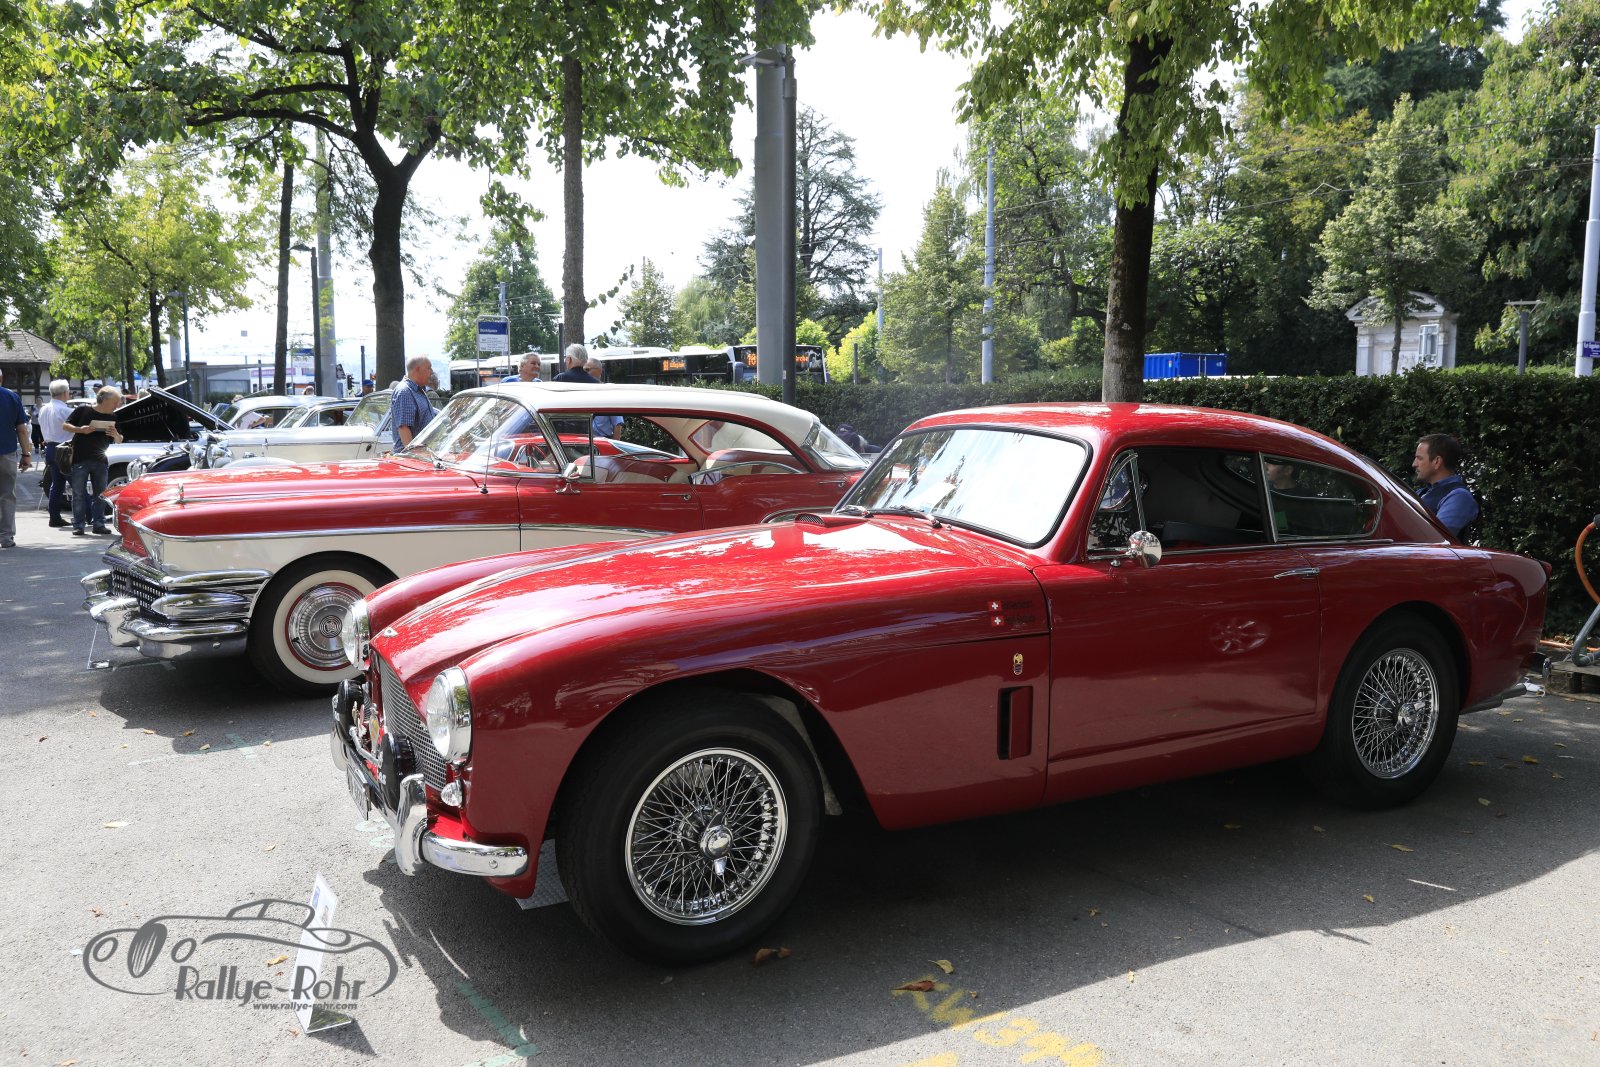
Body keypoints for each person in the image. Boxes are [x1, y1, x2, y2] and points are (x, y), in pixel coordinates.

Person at [65, 384, 123, 536]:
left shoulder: (113, 417)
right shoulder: (83, 411)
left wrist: (115, 434)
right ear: (105, 400)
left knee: (101, 494)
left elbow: (119, 440)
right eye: (115, 402)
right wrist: (81, 430)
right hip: (80, 458)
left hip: (101, 460)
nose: (117, 405)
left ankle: (99, 524)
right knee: (78, 494)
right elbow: (65, 425)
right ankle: (79, 525)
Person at [1412, 433, 1479, 538]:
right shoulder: (1421, 493)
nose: (1414, 464)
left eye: (1419, 458)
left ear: (1437, 461)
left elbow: (1435, 537)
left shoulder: (1459, 496)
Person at [0, 367, 31, 548]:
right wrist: (26, 454)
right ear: (2, 379)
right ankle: (6, 537)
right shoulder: (12, 397)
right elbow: (22, 430)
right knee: (7, 495)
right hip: (6, 453)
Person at [36, 379, 72, 528]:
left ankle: (54, 517)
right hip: (65, 449)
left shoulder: (43, 409)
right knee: (77, 484)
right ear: (65, 393)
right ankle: (89, 517)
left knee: (56, 484)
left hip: (50, 448)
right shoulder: (66, 411)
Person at [391, 355, 438, 451]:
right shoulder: (405, 391)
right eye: (429, 368)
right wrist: (414, 455)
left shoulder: (418, 390)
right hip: (412, 456)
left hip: (423, 454)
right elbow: (404, 428)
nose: (431, 372)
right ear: (417, 369)